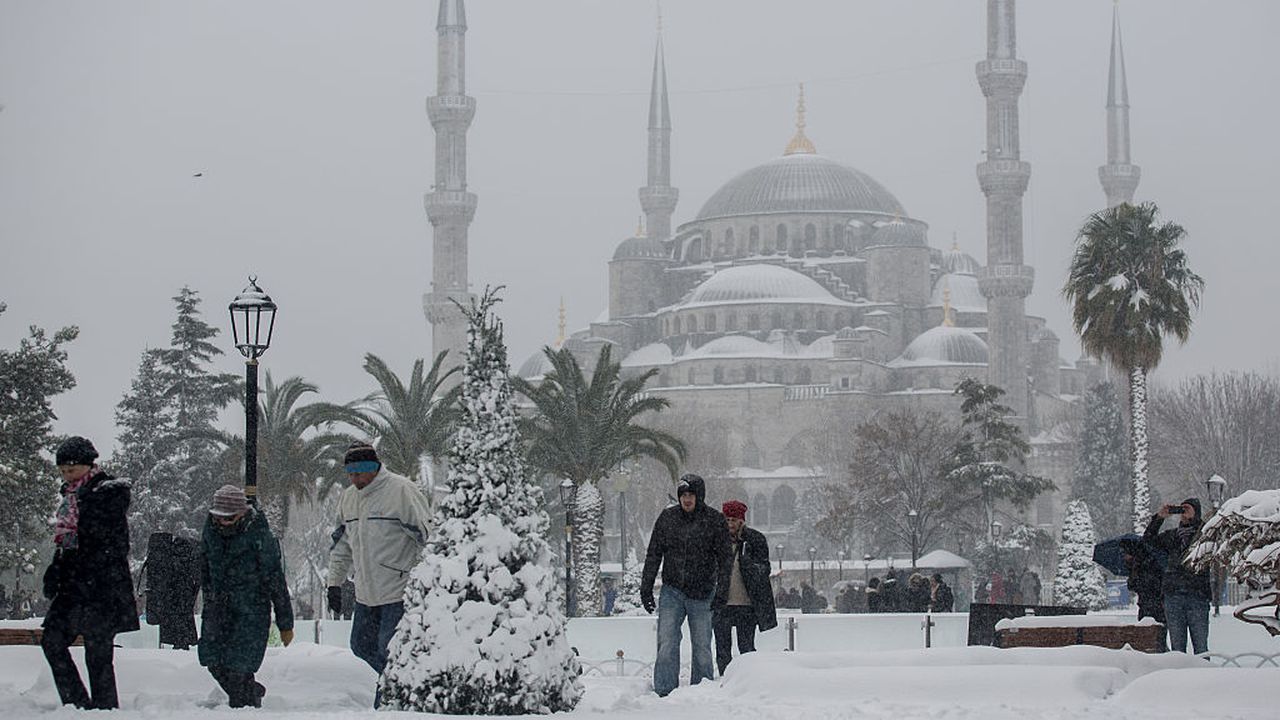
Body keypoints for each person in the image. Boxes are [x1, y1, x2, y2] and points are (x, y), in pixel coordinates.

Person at [327, 441, 432, 702]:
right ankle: (401, 684)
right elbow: (342, 545)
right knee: (360, 646)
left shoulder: (401, 491)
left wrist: (427, 580)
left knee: (389, 649)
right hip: (366, 593)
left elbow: (428, 537)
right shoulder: (349, 498)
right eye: (350, 473)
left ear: (373, 468)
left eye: (359, 472)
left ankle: (387, 699)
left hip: (399, 590)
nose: (355, 478)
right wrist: (334, 584)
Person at [40, 437, 138, 710]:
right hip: (73, 586)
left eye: (71, 470)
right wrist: (56, 569)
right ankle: (76, 704)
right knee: (52, 641)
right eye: (62, 471)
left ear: (87, 465)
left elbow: (112, 542)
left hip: (102, 587)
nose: (66, 476)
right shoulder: (70, 499)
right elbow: (66, 542)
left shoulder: (107, 494)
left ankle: (105, 709)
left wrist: (87, 560)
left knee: (98, 653)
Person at [198, 485, 294, 708]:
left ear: (242, 512)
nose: (224, 523)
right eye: (220, 517)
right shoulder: (210, 531)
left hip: (251, 611)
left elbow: (275, 579)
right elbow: (205, 569)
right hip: (217, 610)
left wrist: (285, 623)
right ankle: (252, 693)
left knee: (240, 667)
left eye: (230, 518)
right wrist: (210, 599)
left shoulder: (259, 535)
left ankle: (245, 705)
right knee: (213, 660)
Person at [640, 474, 732, 697]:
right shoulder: (667, 518)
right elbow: (654, 554)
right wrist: (647, 587)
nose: (687, 499)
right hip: (672, 590)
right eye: (683, 495)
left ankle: (701, 690)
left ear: (699, 496)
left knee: (702, 646)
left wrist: (722, 591)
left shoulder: (714, 520)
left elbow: (725, 560)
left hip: (702, 592)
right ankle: (664, 690)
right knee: (667, 643)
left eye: (691, 495)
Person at [713, 500, 777, 675]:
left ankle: (748, 679)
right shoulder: (717, 541)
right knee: (722, 649)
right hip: (722, 603)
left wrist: (748, 564)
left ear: (741, 521)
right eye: (727, 520)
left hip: (747, 605)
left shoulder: (754, 540)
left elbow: (764, 569)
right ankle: (725, 679)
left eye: (734, 520)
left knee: (746, 648)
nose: (730, 524)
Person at [1144, 498, 1212, 654]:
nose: (1183, 513)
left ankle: (1205, 676)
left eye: (1187, 509)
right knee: (1177, 648)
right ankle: (1179, 675)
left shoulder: (1203, 535)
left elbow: (1212, 537)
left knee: (1201, 648)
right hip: (1173, 596)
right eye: (1181, 509)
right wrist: (1159, 517)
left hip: (1197, 596)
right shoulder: (1172, 537)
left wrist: (1195, 519)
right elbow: (1148, 540)